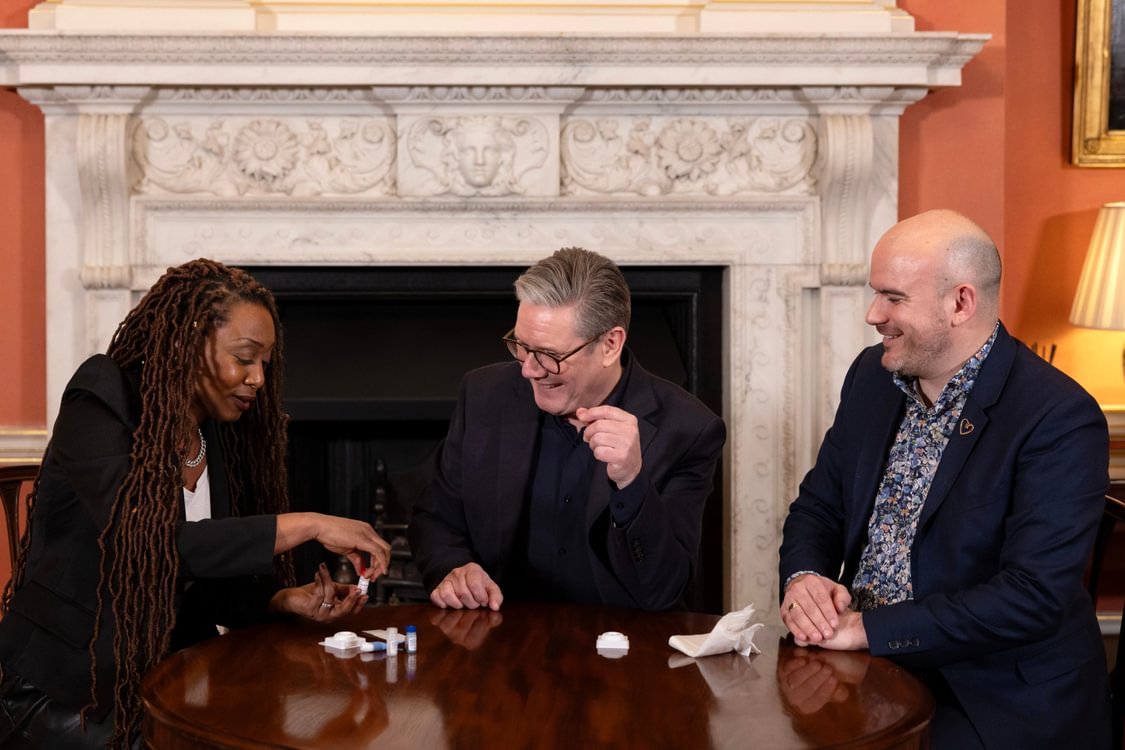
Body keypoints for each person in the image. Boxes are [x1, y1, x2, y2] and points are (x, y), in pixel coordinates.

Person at [0, 259, 392, 748]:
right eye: (245, 358)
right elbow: (148, 545)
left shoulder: (210, 433)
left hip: (162, 676)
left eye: (265, 365)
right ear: (190, 340)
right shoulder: (101, 396)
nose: (258, 380)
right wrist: (308, 524)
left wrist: (282, 601)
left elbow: (192, 579)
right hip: (68, 691)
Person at [778, 210, 1111, 748]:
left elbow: (1031, 596)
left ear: (960, 303)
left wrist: (865, 631)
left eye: (893, 298)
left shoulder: (1058, 417)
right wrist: (804, 581)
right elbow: (818, 507)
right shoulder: (873, 375)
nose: (872, 314)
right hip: (860, 664)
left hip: (988, 693)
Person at [408, 247, 725, 611]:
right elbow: (434, 516)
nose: (529, 369)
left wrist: (632, 482)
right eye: (522, 347)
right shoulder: (485, 395)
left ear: (610, 344)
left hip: (624, 649)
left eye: (549, 355)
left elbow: (663, 590)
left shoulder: (689, 429)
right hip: (501, 639)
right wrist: (454, 568)